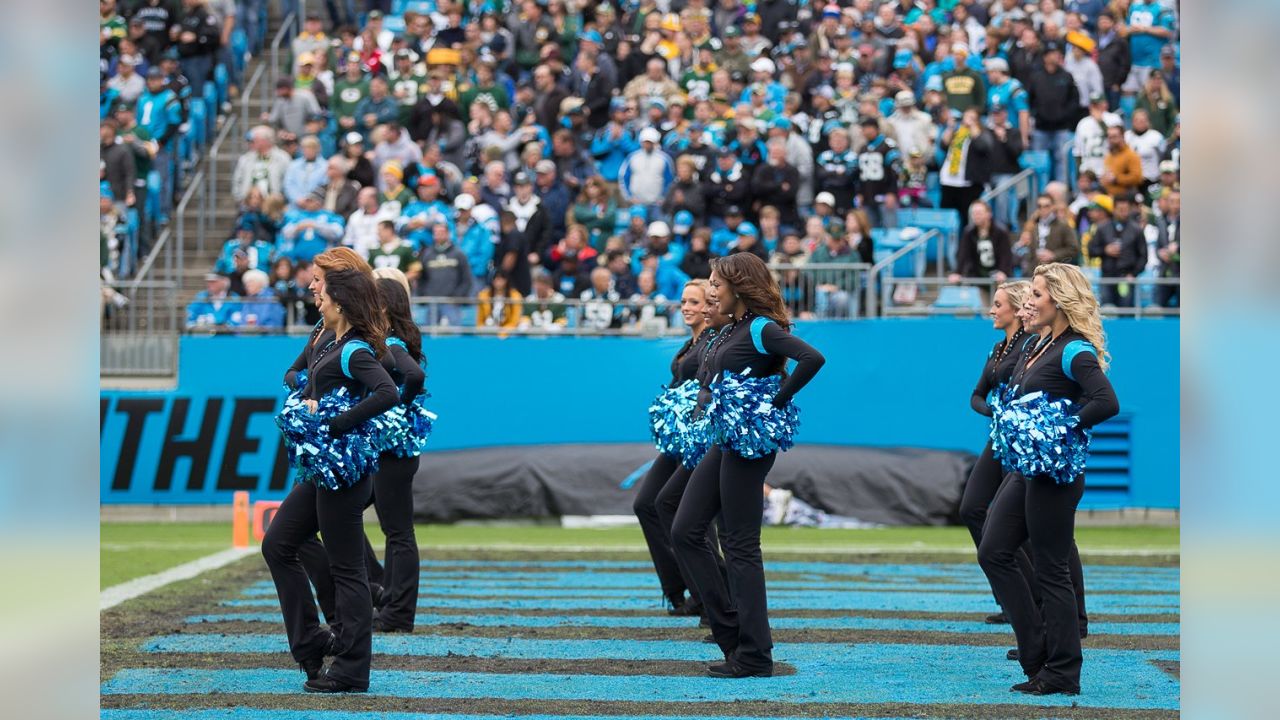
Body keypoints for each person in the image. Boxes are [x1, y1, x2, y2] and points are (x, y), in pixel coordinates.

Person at [671, 253, 825, 678]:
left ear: (738, 285)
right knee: (685, 529)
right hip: (724, 441)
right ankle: (731, 632)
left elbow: (812, 359)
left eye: (716, 283)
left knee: (740, 545)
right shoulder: (727, 330)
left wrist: (775, 400)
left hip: (748, 446)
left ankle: (755, 654)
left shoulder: (760, 328)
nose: (711, 290)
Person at [978, 262, 1118, 696]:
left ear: (1059, 299)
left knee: (1052, 567)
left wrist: (1062, 428)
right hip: (1026, 469)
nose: (1029, 302)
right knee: (994, 550)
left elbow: (1106, 401)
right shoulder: (1037, 345)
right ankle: (1036, 651)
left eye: (1036, 294)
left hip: (1053, 474)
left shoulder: (1074, 349)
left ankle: (1062, 671)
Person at [263, 254, 398, 693]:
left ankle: (353, 669)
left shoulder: (355, 349)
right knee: (279, 542)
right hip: (321, 467)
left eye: (318, 282)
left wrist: (339, 423)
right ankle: (312, 642)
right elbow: (309, 384)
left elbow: (388, 391)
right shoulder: (325, 341)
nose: (311, 289)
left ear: (339, 295)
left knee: (348, 570)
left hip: (343, 471)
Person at [958, 281, 1038, 622]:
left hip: (1021, 440)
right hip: (1000, 435)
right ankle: (1009, 594)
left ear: (1016, 309)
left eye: (998, 304)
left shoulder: (1028, 346)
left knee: (1018, 522)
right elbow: (977, 394)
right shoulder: (997, 349)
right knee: (971, 508)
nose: (992, 310)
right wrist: (993, 411)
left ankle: (1030, 600)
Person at [1026, 41, 1080, 186]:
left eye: (1058, 53)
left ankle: (1061, 191)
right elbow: (1029, 100)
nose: (1057, 56)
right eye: (1053, 54)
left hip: (1061, 127)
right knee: (1040, 164)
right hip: (1041, 128)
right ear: (1045, 57)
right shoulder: (1036, 77)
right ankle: (1041, 194)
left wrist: (1065, 115)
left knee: (1062, 161)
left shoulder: (1066, 76)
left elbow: (1074, 100)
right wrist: (1037, 114)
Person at [1087, 193, 1148, 308]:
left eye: (1126, 210)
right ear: (1114, 209)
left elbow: (1143, 256)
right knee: (1107, 312)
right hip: (1107, 278)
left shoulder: (1136, 230)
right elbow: (1091, 250)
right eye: (1121, 209)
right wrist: (1105, 250)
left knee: (1126, 312)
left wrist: (1133, 274)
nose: (1124, 213)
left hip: (1127, 278)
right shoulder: (1102, 228)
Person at [951, 200, 1014, 284]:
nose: (976, 216)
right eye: (973, 213)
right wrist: (957, 272)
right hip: (977, 277)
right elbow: (963, 253)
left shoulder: (1001, 232)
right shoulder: (968, 232)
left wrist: (1003, 271)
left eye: (979, 213)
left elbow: (1006, 254)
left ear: (989, 214)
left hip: (999, 278)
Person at [1018, 193, 1079, 276]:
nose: (1043, 209)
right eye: (1040, 206)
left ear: (1053, 207)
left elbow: (1073, 248)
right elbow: (1030, 253)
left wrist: (1054, 255)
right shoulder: (1034, 227)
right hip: (1036, 272)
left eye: (1046, 206)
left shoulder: (1063, 226)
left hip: (1057, 273)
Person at [1100, 124, 1143, 198]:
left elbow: (1137, 178)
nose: (1111, 140)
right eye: (1109, 137)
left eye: (1114, 137)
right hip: (1109, 197)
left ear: (1122, 136)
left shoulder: (1131, 155)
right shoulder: (1108, 156)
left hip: (1125, 199)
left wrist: (1116, 179)